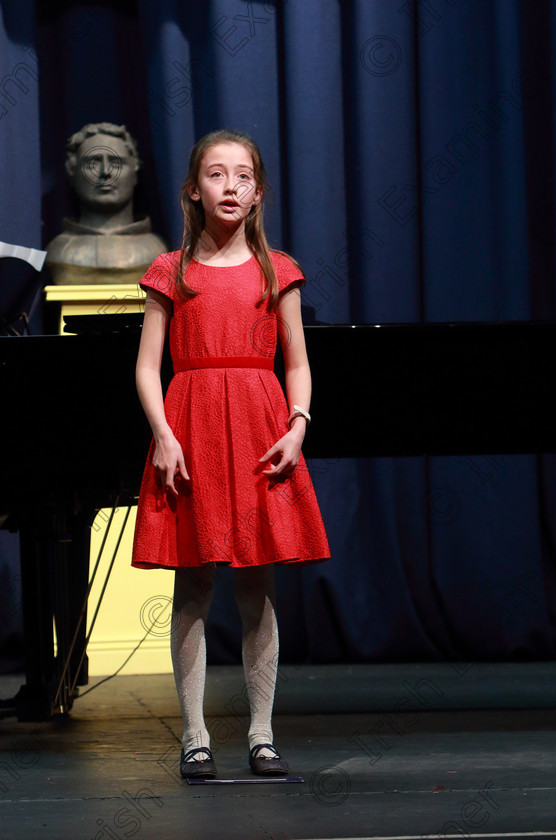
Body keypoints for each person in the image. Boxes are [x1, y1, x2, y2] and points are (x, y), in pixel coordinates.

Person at [131, 129, 330, 780]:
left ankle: (262, 733)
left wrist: (297, 424)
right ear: (195, 189)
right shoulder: (172, 270)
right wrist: (163, 432)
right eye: (216, 175)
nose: (230, 186)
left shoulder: (278, 271)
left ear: (258, 191)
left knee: (256, 589)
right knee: (192, 585)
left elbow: (297, 363)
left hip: (257, 430)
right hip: (190, 432)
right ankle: (194, 733)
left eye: (243, 176)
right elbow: (146, 367)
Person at [45, 122, 166, 285]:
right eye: (93, 163)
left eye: (116, 163)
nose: (106, 172)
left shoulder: (157, 252)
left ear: (135, 172)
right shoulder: (58, 252)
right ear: (72, 172)